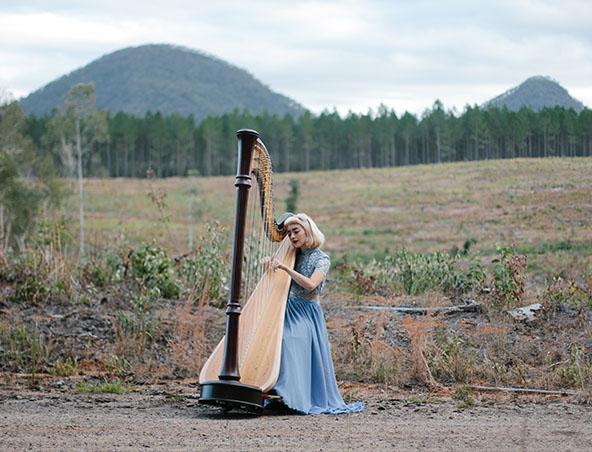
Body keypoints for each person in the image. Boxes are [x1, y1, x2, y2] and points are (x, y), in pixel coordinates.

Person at [266, 213, 364, 415]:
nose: (292, 236)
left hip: (306, 310)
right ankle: (275, 394)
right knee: (274, 340)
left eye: (296, 231)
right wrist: (268, 264)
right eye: (289, 233)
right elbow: (277, 279)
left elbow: (311, 284)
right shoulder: (292, 254)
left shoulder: (322, 259)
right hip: (288, 306)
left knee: (289, 340)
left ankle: (293, 396)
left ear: (308, 230)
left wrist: (284, 267)